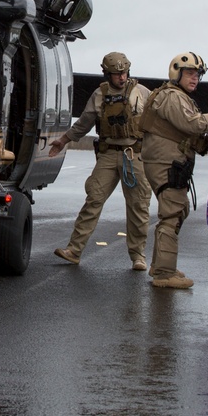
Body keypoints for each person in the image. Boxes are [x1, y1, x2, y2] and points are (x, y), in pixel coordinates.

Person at [140, 51, 208, 289]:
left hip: (169, 161)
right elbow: (193, 123)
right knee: (172, 214)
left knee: (178, 210)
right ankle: (164, 273)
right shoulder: (173, 96)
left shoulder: (178, 97)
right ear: (177, 73)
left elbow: (183, 131)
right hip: (166, 164)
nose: (194, 78)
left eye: (197, 74)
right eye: (190, 73)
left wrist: (204, 142)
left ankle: (160, 264)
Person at [50, 52, 154, 270]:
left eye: (124, 73)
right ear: (107, 74)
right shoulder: (99, 95)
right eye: (116, 74)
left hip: (134, 154)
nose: (122, 78)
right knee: (93, 199)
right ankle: (74, 250)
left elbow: (160, 118)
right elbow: (84, 123)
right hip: (108, 154)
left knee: (138, 205)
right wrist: (63, 140)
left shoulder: (142, 93)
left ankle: (138, 256)